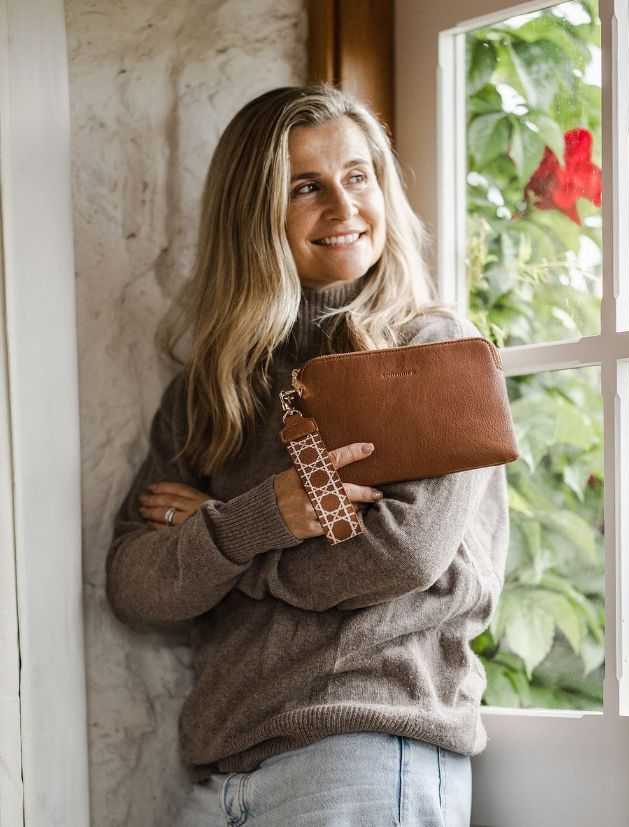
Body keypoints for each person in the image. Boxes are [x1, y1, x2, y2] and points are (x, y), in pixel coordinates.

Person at [106, 85, 509, 827]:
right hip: (224, 777)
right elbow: (134, 582)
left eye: (358, 176)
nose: (344, 206)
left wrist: (226, 540)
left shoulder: (434, 353)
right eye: (305, 187)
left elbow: (399, 555)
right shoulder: (208, 390)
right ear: (252, 213)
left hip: (364, 751)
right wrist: (259, 519)